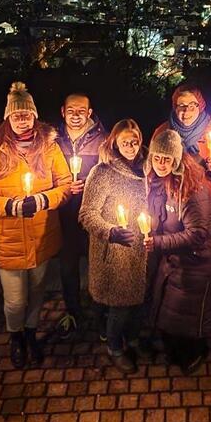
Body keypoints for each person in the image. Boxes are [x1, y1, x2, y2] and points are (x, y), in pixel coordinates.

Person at [0, 81, 71, 368]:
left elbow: (64, 186)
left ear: (35, 116)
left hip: (41, 236)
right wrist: (10, 206)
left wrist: (40, 201)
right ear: (7, 117)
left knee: (37, 291)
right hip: (7, 240)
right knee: (14, 300)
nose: (22, 119)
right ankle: (16, 336)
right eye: (16, 115)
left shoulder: (49, 149)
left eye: (26, 114)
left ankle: (30, 332)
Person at [144, 129, 211, 374]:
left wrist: (158, 242)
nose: (161, 164)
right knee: (170, 307)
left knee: (189, 312)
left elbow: (197, 234)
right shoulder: (157, 181)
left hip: (200, 260)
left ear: (177, 160)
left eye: (167, 159)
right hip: (177, 256)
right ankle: (175, 350)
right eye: (157, 157)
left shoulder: (192, 190)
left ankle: (194, 352)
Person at [78, 119, 148, 373]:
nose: (130, 145)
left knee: (139, 302)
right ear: (114, 143)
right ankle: (115, 347)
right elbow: (87, 214)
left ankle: (133, 339)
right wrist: (110, 232)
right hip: (114, 252)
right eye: (124, 141)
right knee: (119, 305)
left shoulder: (147, 168)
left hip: (143, 249)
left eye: (134, 140)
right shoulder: (102, 172)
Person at [53, 92, 107, 339]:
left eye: (81, 110)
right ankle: (73, 311)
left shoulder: (103, 140)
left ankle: (101, 312)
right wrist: (63, 188)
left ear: (90, 112)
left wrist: (92, 186)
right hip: (63, 214)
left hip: (93, 213)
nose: (76, 115)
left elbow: (110, 174)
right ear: (63, 111)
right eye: (71, 110)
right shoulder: (51, 140)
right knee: (67, 266)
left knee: (98, 264)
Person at [154, 84, 211, 238]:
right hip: (172, 206)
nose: (186, 111)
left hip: (205, 206)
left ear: (200, 106)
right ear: (175, 107)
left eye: (192, 105)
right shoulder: (163, 132)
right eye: (181, 105)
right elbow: (153, 166)